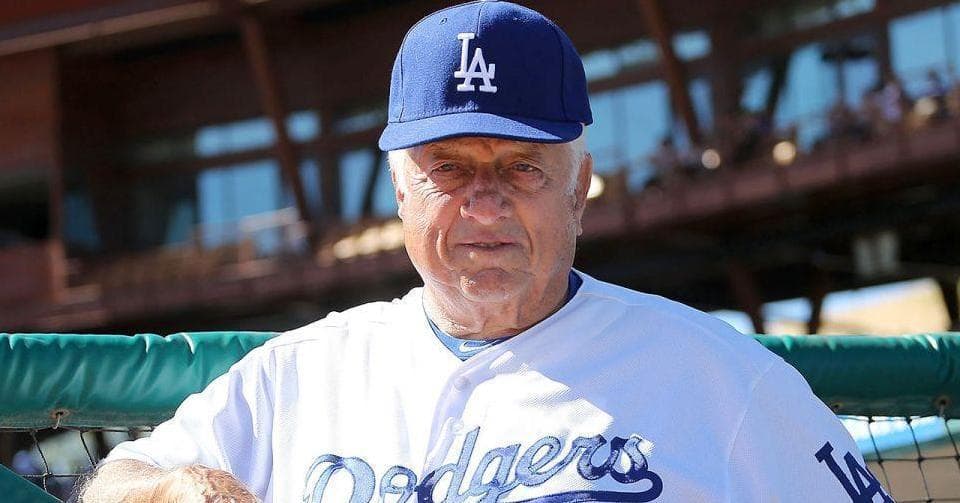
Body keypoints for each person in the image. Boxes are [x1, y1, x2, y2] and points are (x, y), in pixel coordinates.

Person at [80, 1, 893, 502]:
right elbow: (116, 481)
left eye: (521, 167)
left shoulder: (722, 378)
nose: (484, 203)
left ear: (579, 187)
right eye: (449, 169)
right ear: (401, 191)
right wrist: (179, 490)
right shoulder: (295, 375)